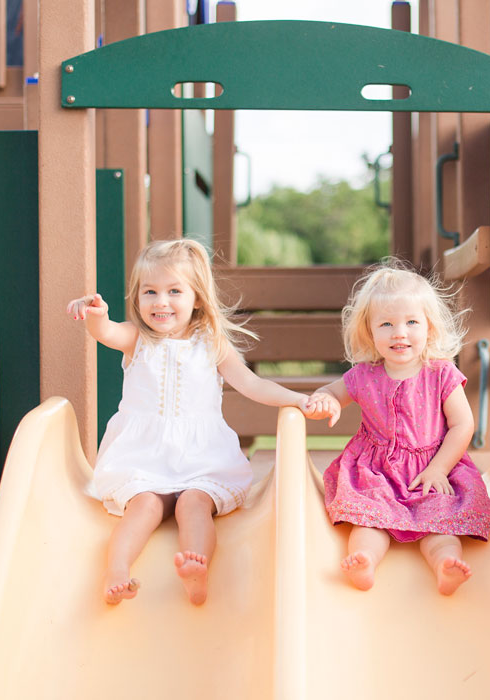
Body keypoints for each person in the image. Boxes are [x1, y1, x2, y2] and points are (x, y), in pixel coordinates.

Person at [67, 239, 312, 606]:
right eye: (149, 292)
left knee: (193, 505)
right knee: (144, 505)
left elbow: (250, 383)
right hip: (144, 455)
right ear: (137, 298)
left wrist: (296, 399)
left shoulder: (212, 342)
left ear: (196, 298)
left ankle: (196, 568)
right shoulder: (138, 339)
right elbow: (106, 333)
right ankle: (116, 570)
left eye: (174, 291)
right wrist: (95, 314)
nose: (160, 302)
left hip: (200, 455)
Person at [305, 261, 490, 595]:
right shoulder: (365, 375)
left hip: (433, 468)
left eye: (411, 322)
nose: (399, 332)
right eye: (386, 324)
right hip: (377, 472)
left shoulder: (440, 374)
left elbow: (463, 424)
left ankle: (445, 564)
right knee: (369, 518)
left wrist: (439, 468)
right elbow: (334, 391)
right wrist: (326, 399)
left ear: (429, 328)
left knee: (441, 521)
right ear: (370, 331)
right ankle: (364, 559)